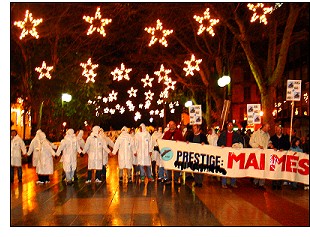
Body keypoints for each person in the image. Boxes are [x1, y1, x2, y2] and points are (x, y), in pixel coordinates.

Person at [217, 121, 243, 189]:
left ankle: (233, 182)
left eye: (231, 125)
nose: (230, 126)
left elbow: (241, 143)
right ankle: (224, 183)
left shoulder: (237, 135)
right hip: (225, 153)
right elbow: (218, 143)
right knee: (224, 168)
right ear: (227, 126)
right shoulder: (223, 134)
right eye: (229, 125)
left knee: (233, 168)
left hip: (233, 154)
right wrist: (221, 145)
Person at [249, 123, 274, 190]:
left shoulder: (267, 135)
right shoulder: (255, 134)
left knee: (263, 168)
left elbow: (268, 141)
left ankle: (261, 183)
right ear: (264, 127)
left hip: (264, 154)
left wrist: (270, 144)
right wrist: (258, 146)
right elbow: (251, 142)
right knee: (257, 168)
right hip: (257, 153)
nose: (269, 129)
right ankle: (255, 182)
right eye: (268, 127)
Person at [162, 120, 185, 185]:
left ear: (175, 125)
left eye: (172, 125)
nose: (171, 126)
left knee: (177, 166)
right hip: (169, 153)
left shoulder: (179, 133)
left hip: (177, 153)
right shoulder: (166, 133)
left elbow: (183, 141)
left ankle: (176, 179)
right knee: (169, 166)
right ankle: (169, 179)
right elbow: (163, 141)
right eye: (170, 125)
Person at [270, 125, 290, 190]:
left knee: (281, 170)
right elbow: (269, 145)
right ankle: (274, 183)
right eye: (277, 130)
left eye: (280, 130)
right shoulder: (272, 138)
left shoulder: (285, 138)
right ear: (275, 131)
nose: (278, 131)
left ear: (281, 130)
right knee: (274, 169)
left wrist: (283, 149)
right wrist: (273, 147)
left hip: (282, 157)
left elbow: (288, 146)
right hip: (274, 157)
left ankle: (279, 184)